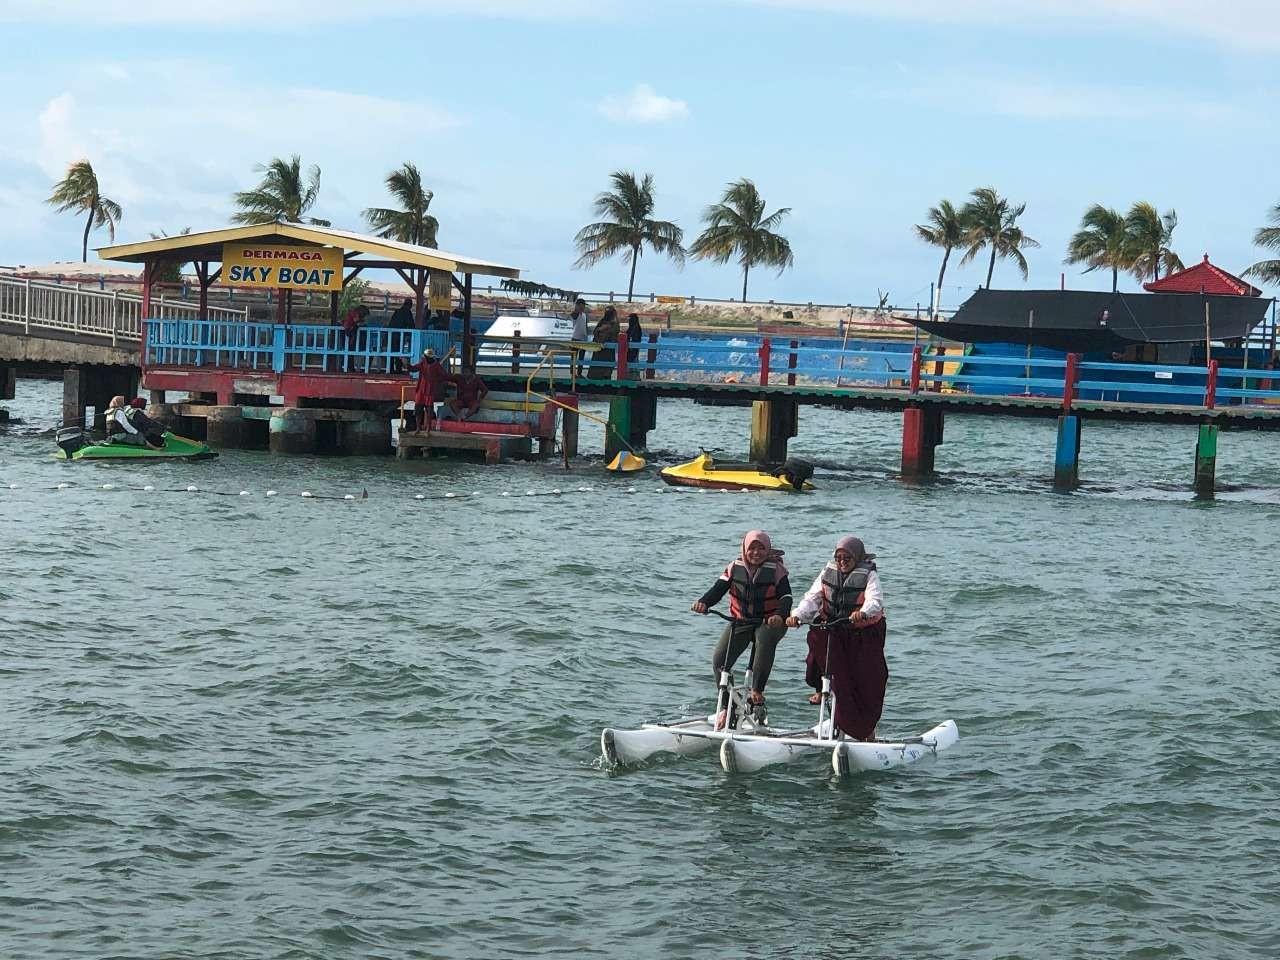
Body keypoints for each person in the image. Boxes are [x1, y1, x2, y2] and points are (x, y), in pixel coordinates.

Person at [786, 535, 888, 741]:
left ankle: (865, 730)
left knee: (867, 681)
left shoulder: (869, 575)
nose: (842, 562)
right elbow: (812, 598)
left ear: (857, 557)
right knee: (824, 653)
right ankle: (824, 692)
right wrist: (797, 615)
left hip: (863, 634)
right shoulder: (828, 571)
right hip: (835, 630)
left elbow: (875, 600)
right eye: (839, 557)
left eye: (847, 558)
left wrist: (864, 612)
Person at [691, 530, 793, 722]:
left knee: (763, 639)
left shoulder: (776, 570)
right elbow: (718, 589)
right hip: (742, 621)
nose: (756, 553)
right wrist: (704, 602)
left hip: (770, 622)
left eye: (761, 549)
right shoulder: (734, 567)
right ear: (744, 549)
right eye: (752, 548)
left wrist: (780, 615)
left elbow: (786, 597)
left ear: (768, 550)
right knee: (719, 660)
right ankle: (727, 707)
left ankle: (757, 691)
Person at [408, 348, 451, 431]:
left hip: (429, 391)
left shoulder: (436, 365)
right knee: (418, 410)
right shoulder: (422, 363)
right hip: (421, 391)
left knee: (429, 411)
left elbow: (444, 375)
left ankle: (428, 428)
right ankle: (418, 428)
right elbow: (412, 369)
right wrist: (406, 364)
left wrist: (437, 381)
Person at [588, 307, 620, 379]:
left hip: (602, 349)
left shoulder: (606, 322)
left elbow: (595, 332)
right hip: (605, 349)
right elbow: (615, 333)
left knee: (603, 366)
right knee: (605, 365)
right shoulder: (613, 324)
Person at [389, 299, 415, 373]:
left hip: (391, 334)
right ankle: (398, 369)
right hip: (399, 335)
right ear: (410, 305)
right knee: (399, 352)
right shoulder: (407, 312)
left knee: (392, 352)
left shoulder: (397, 311)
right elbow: (411, 324)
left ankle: (391, 369)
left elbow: (391, 323)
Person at [569, 298, 589, 376]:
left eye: (584, 305)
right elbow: (573, 316)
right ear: (578, 305)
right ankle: (572, 372)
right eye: (582, 305)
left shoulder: (584, 315)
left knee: (581, 357)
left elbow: (585, 326)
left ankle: (579, 373)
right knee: (574, 357)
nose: (583, 307)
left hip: (583, 338)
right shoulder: (575, 314)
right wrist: (577, 308)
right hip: (575, 338)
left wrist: (586, 335)